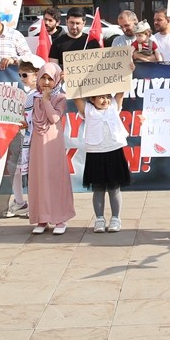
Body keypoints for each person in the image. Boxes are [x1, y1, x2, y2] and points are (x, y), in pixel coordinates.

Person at [28, 62, 76, 234]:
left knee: (55, 178)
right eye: (43, 78)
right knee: (39, 178)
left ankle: (60, 219)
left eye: (50, 78)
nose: (46, 82)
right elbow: (28, 119)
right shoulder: (32, 98)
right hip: (37, 143)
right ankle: (42, 218)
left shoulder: (60, 98)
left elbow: (54, 118)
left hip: (53, 143)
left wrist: (47, 101)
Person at [81, 88, 130, 233]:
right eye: (101, 97)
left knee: (114, 188)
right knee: (98, 188)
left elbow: (121, 90)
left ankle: (116, 218)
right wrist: (68, 80)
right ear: (91, 99)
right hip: (96, 153)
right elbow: (75, 96)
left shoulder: (114, 106)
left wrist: (128, 69)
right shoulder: (88, 110)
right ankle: (99, 219)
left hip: (114, 152)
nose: (106, 100)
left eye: (108, 96)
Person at [6, 54, 45, 218]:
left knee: (36, 173)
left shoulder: (42, 93)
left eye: (25, 75)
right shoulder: (27, 92)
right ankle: (20, 202)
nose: (21, 78)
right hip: (24, 137)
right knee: (15, 167)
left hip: (37, 139)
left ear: (36, 74)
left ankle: (38, 205)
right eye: (20, 74)